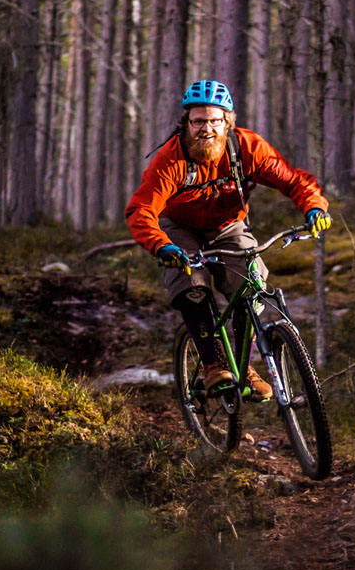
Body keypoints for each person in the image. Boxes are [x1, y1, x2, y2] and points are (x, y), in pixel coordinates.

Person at [125, 79, 332, 398]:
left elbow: (292, 180)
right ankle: (213, 365)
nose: (206, 129)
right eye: (198, 121)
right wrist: (161, 244)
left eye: (214, 120)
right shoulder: (171, 159)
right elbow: (141, 209)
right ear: (186, 123)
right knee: (192, 285)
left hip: (227, 225)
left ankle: (244, 367)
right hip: (178, 226)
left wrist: (314, 207)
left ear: (228, 122)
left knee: (250, 283)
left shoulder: (247, 148)